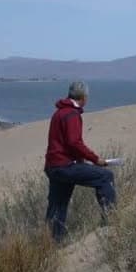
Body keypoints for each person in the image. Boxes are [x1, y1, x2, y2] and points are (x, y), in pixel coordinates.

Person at [43, 80, 116, 240]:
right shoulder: (72, 114)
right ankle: (111, 222)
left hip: (53, 167)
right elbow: (74, 142)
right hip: (64, 166)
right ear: (83, 97)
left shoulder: (59, 113)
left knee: (58, 205)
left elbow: (66, 143)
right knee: (105, 177)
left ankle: (51, 243)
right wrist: (96, 159)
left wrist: (81, 161)